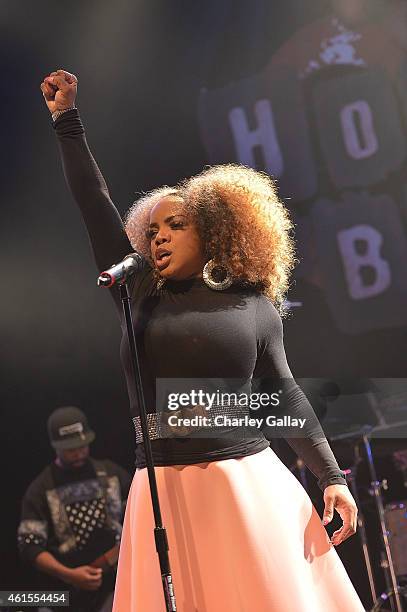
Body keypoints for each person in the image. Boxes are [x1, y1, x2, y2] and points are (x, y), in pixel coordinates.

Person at [40, 69, 365, 611]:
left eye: (176, 225)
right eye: (152, 230)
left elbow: (281, 394)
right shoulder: (137, 291)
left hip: (244, 482)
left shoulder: (253, 304)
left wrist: (330, 475)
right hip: (163, 490)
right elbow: (94, 202)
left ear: (214, 232)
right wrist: (66, 122)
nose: (158, 236)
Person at [18, 406, 132, 612]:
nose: (79, 452)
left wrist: (115, 556)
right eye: (71, 449)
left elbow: (138, 520)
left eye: (83, 446)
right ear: (56, 447)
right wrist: (69, 574)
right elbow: (30, 546)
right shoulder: (41, 489)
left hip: (114, 586)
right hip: (65, 592)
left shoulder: (112, 475)